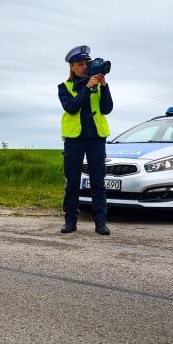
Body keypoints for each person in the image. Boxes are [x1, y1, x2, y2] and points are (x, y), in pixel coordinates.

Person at [58, 45, 113, 236]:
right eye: (80, 64)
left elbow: (107, 108)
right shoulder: (64, 87)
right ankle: (70, 221)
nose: (84, 66)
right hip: (74, 140)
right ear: (72, 67)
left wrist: (104, 87)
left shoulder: (98, 84)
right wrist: (87, 88)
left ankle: (100, 223)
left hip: (96, 138)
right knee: (73, 182)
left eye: (86, 63)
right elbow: (71, 107)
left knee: (98, 181)